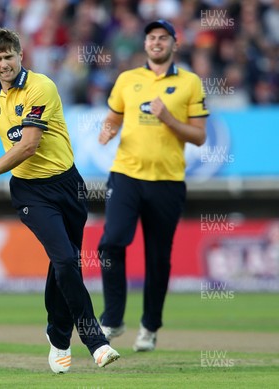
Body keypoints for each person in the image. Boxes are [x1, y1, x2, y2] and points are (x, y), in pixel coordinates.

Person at [0, 27, 120, 373]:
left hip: (68, 185)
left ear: (21, 56)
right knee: (64, 259)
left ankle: (57, 336)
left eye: (8, 57)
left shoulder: (41, 86)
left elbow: (29, 144)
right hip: (30, 192)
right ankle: (96, 342)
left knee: (64, 264)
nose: (3, 64)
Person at [97, 19, 209, 352]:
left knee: (158, 258)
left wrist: (168, 119)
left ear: (175, 43)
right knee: (111, 243)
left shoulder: (190, 83)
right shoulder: (127, 79)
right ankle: (114, 318)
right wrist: (107, 130)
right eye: (151, 38)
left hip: (167, 181)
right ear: (144, 45)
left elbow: (200, 136)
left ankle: (149, 326)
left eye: (163, 38)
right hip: (126, 175)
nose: (156, 43)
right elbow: (114, 117)